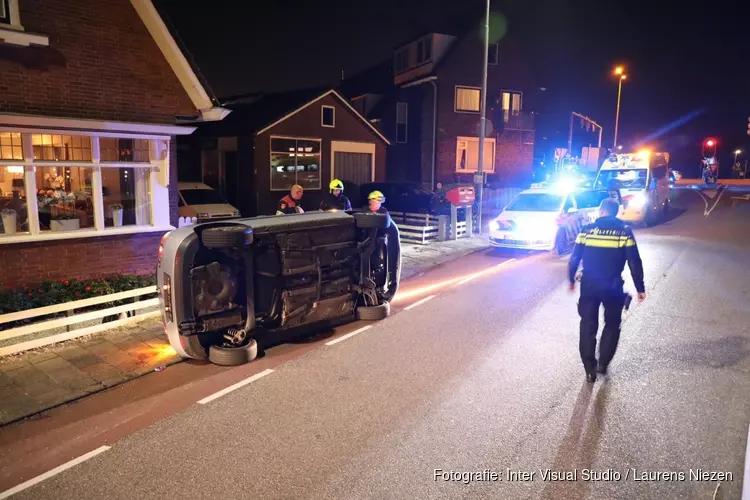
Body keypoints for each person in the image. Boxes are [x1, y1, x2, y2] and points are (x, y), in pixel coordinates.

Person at [568, 197, 646, 383]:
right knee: (612, 324)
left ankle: (589, 370)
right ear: (616, 211)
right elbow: (634, 261)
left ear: (601, 211)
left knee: (588, 325)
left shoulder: (587, 230)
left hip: (589, 285)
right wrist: (640, 287)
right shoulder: (624, 231)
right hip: (612, 286)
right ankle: (603, 363)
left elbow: (574, 257)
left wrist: (571, 279)